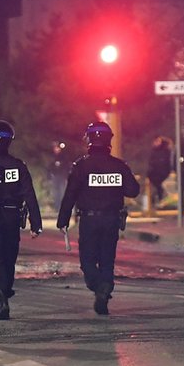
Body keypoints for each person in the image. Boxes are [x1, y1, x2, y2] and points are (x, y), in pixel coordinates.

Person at [57, 121, 140, 316]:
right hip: (111, 220)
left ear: (89, 140)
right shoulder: (119, 166)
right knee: (107, 260)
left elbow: (70, 195)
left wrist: (63, 220)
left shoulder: (81, 166)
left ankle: (99, 287)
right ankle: (105, 288)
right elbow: (133, 191)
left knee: (87, 261)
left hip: (89, 220)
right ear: (109, 140)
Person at [0, 120, 42, 321]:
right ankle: (5, 290)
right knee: (9, 258)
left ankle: (0, 292)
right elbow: (29, 195)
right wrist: (36, 223)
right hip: (11, 217)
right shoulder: (18, 166)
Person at [45, 141, 70, 212]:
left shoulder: (64, 156)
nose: (56, 149)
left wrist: (66, 176)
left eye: (58, 148)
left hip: (62, 177)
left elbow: (67, 167)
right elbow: (49, 168)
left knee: (62, 192)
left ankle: (62, 208)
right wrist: (49, 177)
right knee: (56, 193)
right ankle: (57, 207)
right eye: (55, 148)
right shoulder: (52, 157)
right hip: (55, 177)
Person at [147, 136, 172, 205]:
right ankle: (157, 199)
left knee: (158, 186)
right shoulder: (154, 151)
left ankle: (159, 198)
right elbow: (151, 162)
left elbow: (165, 163)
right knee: (156, 186)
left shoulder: (165, 151)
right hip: (155, 173)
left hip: (161, 173)